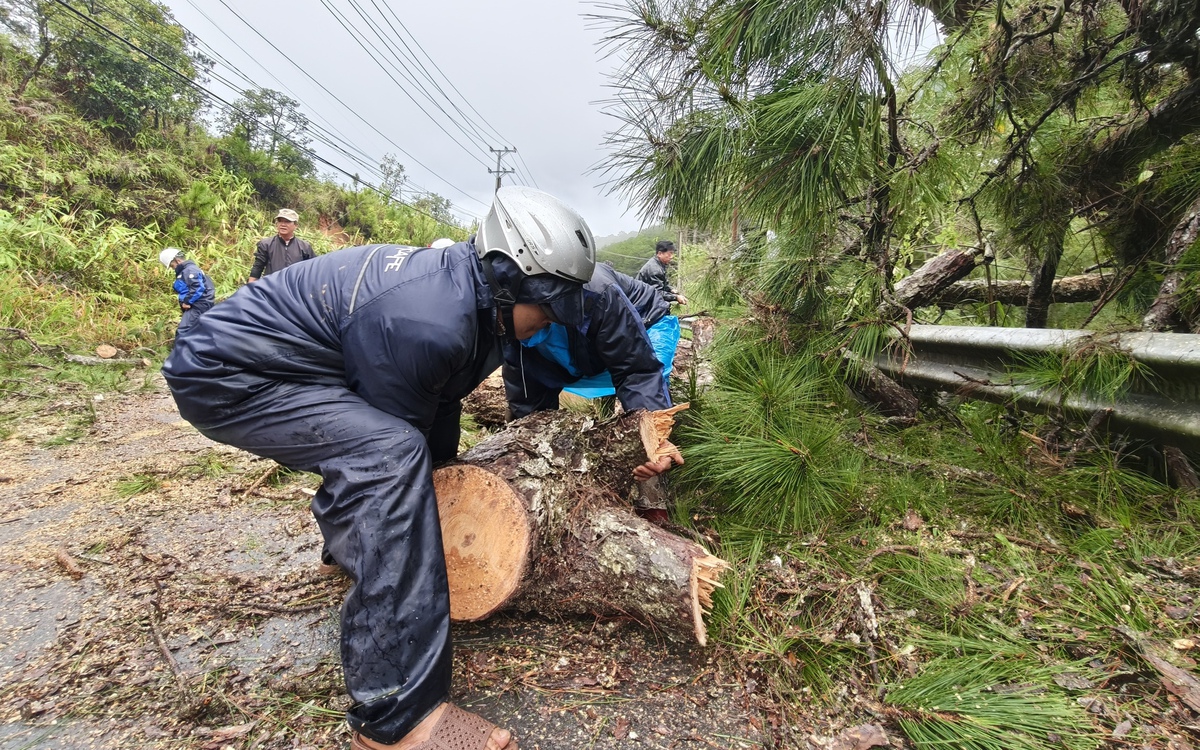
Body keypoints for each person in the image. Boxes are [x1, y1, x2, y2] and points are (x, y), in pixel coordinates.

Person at [161, 187, 681, 750]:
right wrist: (405, 536)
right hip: (231, 375)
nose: (550, 325)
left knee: (404, 453)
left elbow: (436, 408)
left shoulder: (476, 303)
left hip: (297, 366)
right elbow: (390, 456)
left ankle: (348, 559)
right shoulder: (428, 318)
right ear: (508, 283)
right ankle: (397, 718)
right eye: (547, 311)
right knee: (388, 457)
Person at [502, 263, 681, 524]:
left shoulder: (598, 294)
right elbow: (528, 396)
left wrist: (655, 436)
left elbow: (637, 372)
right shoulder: (508, 312)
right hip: (580, 346)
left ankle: (653, 503)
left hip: (645, 326)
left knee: (645, 416)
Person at [158, 247, 214, 335]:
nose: (173, 269)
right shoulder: (187, 270)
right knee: (198, 332)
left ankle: (181, 345)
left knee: (184, 331)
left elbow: (198, 287)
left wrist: (187, 302)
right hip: (197, 305)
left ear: (177, 261)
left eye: (172, 266)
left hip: (198, 306)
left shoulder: (190, 270)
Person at [248, 208, 314, 282]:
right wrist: (250, 287)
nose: (283, 224)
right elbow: (257, 268)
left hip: (295, 287)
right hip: (272, 286)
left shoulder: (305, 247)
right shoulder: (266, 244)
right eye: (280, 221)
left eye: (287, 221)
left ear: (296, 225)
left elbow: (312, 270)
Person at [637, 239, 688, 306]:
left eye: (672, 254)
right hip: (641, 302)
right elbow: (657, 292)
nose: (671, 257)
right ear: (660, 253)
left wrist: (671, 289)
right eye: (669, 254)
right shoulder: (654, 269)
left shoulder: (658, 264)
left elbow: (662, 285)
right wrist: (675, 297)